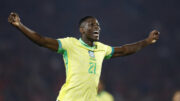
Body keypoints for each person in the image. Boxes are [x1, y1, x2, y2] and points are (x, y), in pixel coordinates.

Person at [8, 12, 160, 101]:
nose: (97, 28)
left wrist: (147, 41)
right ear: (82, 29)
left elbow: (125, 50)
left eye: (98, 26)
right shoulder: (70, 45)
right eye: (92, 25)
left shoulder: (101, 49)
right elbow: (41, 40)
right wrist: (20, 25)